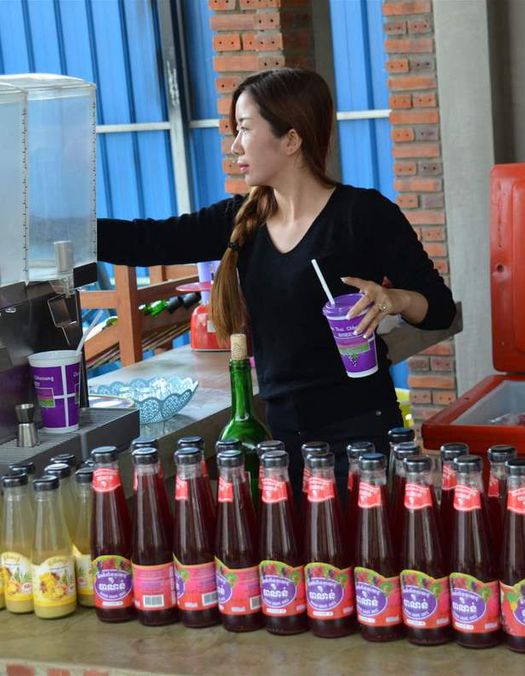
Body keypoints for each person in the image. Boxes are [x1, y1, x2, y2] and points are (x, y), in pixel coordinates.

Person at [97, 68, 455, 498]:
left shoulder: (364, 215)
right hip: (282, 447)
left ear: (291, 140)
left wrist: (392, 299)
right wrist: (46, 227)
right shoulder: (241, 220)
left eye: (245, 129)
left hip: (362, 443)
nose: (234, 147)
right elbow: (145, 241)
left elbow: (439, 308)